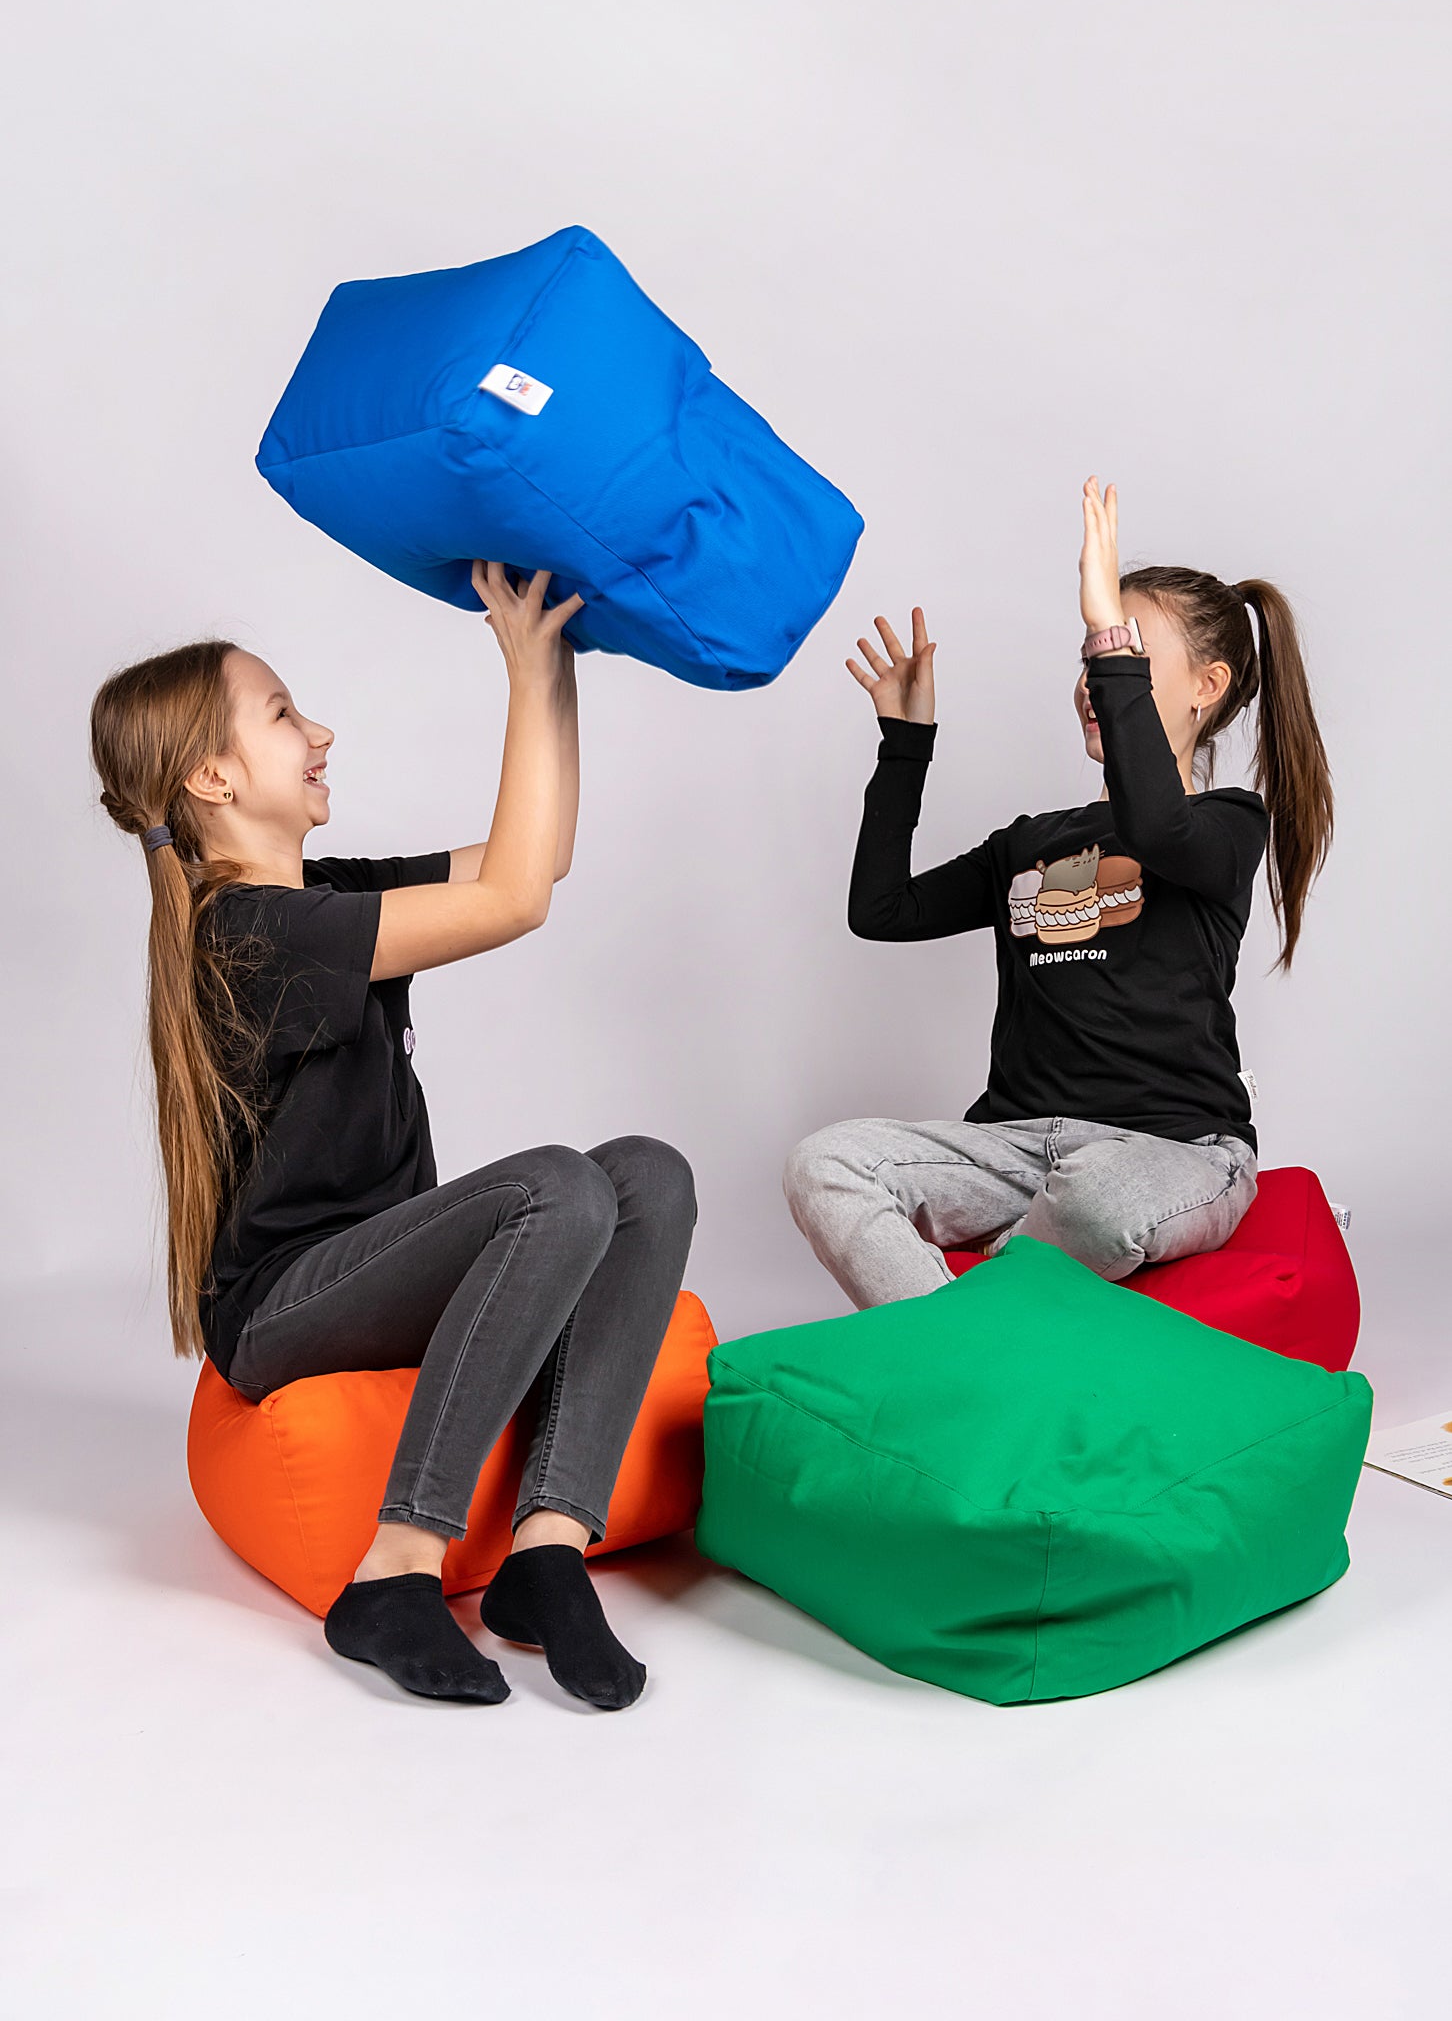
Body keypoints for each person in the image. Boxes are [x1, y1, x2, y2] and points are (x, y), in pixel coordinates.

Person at [90, 562, 696, 1709]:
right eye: (281, 716)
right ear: (213, 774)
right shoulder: (250, 936)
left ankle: (547, 1550)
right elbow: (514, 896)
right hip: (282, 1307)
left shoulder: (322, 900)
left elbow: (536, 859)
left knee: (647, 1176)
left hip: (378, 1265)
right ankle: (397, 1564)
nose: (319, 730)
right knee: (557, 1189)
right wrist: (517, 672)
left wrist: (553, 657)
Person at [784, 477, 1333, 1307]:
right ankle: (962, 1347)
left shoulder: (1225, 825)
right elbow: (881, 912)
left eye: (1122, 657)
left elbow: (1156, 827)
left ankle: (971, 1320)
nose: (1093, 677)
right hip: (1014, 1147)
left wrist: (1105, 630)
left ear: (1206, 687)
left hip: (1173, 1152)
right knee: (825, 1163)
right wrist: (906, 743)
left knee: (1105, 1201)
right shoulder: (1030, 843)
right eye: (1090, 659)